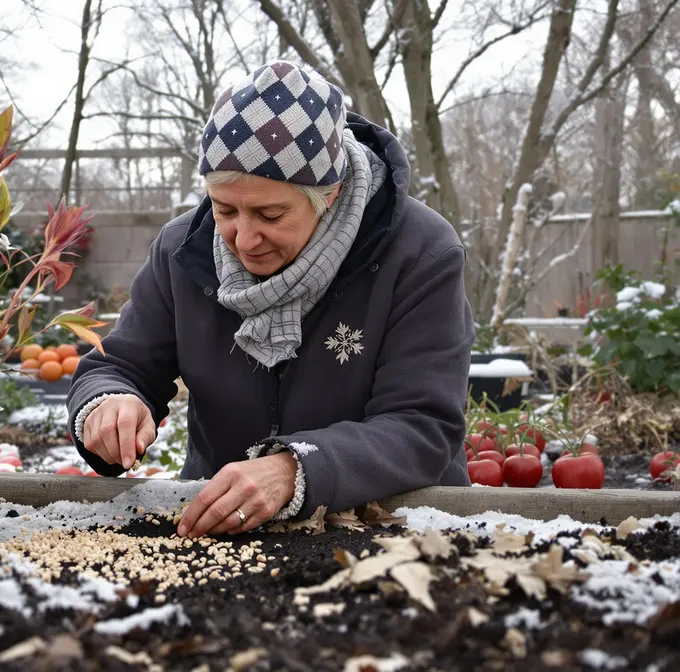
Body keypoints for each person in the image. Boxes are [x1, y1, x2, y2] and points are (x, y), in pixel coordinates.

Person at [66, 59, 474, 539]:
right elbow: (123, 365)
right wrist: (109, 402)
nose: (243, 238)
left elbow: (422, 425)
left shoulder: (420, 251)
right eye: (225, 209)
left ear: (330, 193)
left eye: (271, 213)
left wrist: (296, 471)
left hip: (393, 528)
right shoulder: (183, 250)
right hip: (222, 528)